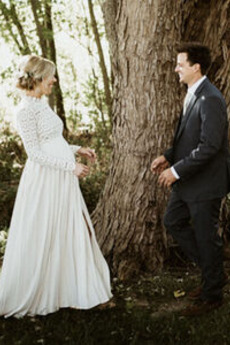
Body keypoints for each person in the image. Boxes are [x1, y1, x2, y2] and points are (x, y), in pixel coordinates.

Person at [0, 55, 112, 318]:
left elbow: (53, 143)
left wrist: (76, 149)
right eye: (50, 75)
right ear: (38, 78)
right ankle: (41, 290)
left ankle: (71, 290)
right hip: (45, 181)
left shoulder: (42, 103)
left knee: (68, 229)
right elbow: (35, 153)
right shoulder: (24, 110)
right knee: (44, 232)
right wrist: (70, 167)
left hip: (60, 177)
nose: (54, 80)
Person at [151, 42, 229, 316]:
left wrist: (175, 171)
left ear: (196, 67)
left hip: (206, 183)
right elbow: (189, 137)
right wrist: (168, 156)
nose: (176, 69)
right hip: (188, 181)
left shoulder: (211, 98)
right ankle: (214, 273)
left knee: (207, 238)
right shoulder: (192, 93)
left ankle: (212, 296)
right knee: (173, 221)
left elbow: (209, 145)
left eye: (180, 64)